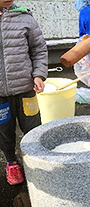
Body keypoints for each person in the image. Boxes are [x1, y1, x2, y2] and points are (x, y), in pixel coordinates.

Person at [0, 0, 48, 185]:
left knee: (33, 127)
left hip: (26, 88)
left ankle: (36, 161)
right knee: (4, 131)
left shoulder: (25, 18)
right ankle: (11, 162)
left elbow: (39, 49)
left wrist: (38, 75)